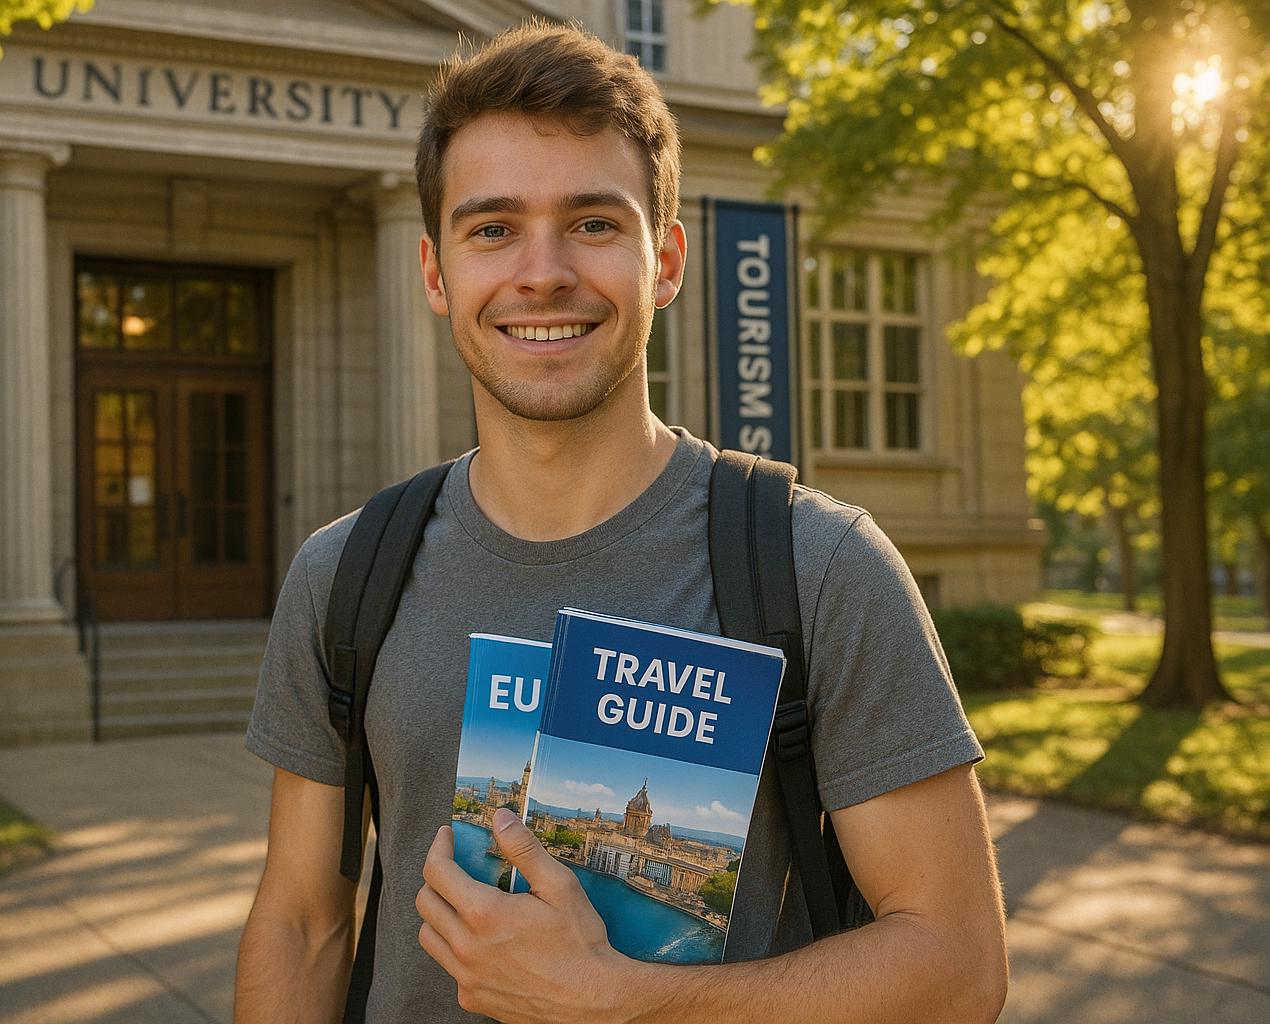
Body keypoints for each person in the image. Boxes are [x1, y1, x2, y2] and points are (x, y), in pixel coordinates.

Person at [235, 21, 1007, 1024]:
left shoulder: (817, 566)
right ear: (435, 273)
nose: (543, 272)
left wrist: (621, 999)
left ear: (668, 260)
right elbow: (304, 923)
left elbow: (956, 969)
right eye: (492, 228)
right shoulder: (344, 575)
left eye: (594, 223)